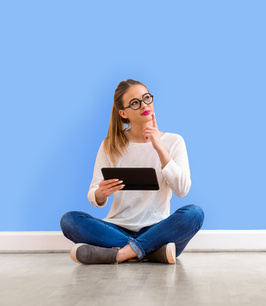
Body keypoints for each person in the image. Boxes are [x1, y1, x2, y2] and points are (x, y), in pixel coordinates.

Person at [60, 79, 204, 264]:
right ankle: (152, 252)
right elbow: (93, 195)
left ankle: (120, 254)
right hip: (117, 227)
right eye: (135, 103)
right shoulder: (110, 145)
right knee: (69, 220)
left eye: (146, 98)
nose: (145, 105)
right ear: (123, 113)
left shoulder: (174, 142)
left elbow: (182, 190)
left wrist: (159, 148)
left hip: (157, 229)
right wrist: (100, 193)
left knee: (194, 213)